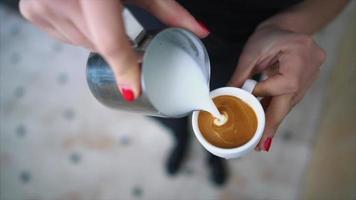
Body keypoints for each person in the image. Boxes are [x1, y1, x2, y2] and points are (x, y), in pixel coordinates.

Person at [19, 0, 349, 185]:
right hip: (159, 37)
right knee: (170, 115)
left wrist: (291, 25)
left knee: (215, 95)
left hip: (248, 47)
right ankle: (179, 138)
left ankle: (213, 155)